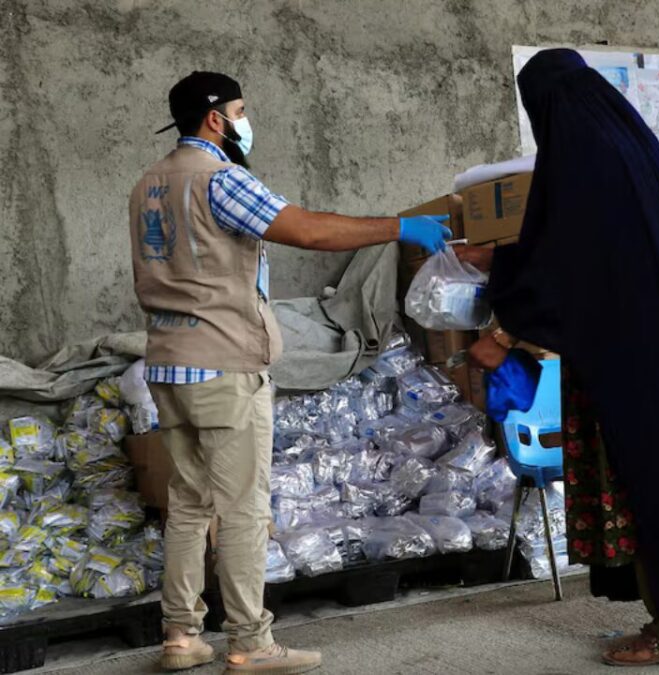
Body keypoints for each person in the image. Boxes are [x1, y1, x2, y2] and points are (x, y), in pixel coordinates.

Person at [129, 71, 450, 674]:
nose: (245, 122)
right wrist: (398, 227)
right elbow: (307, 230)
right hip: (224, 364)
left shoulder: (149, 182)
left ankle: (180, 636)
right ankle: (250, 642)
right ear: (217, 119)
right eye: (240, 111)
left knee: (190, 503)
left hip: (169, 363)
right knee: (243, 509)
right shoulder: (220, 178)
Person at [456, 49, 659, 667]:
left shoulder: (583, 160)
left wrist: (502, 328)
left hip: (634, 364)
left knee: (648, 484)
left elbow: (568, 264)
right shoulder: (632, 151)